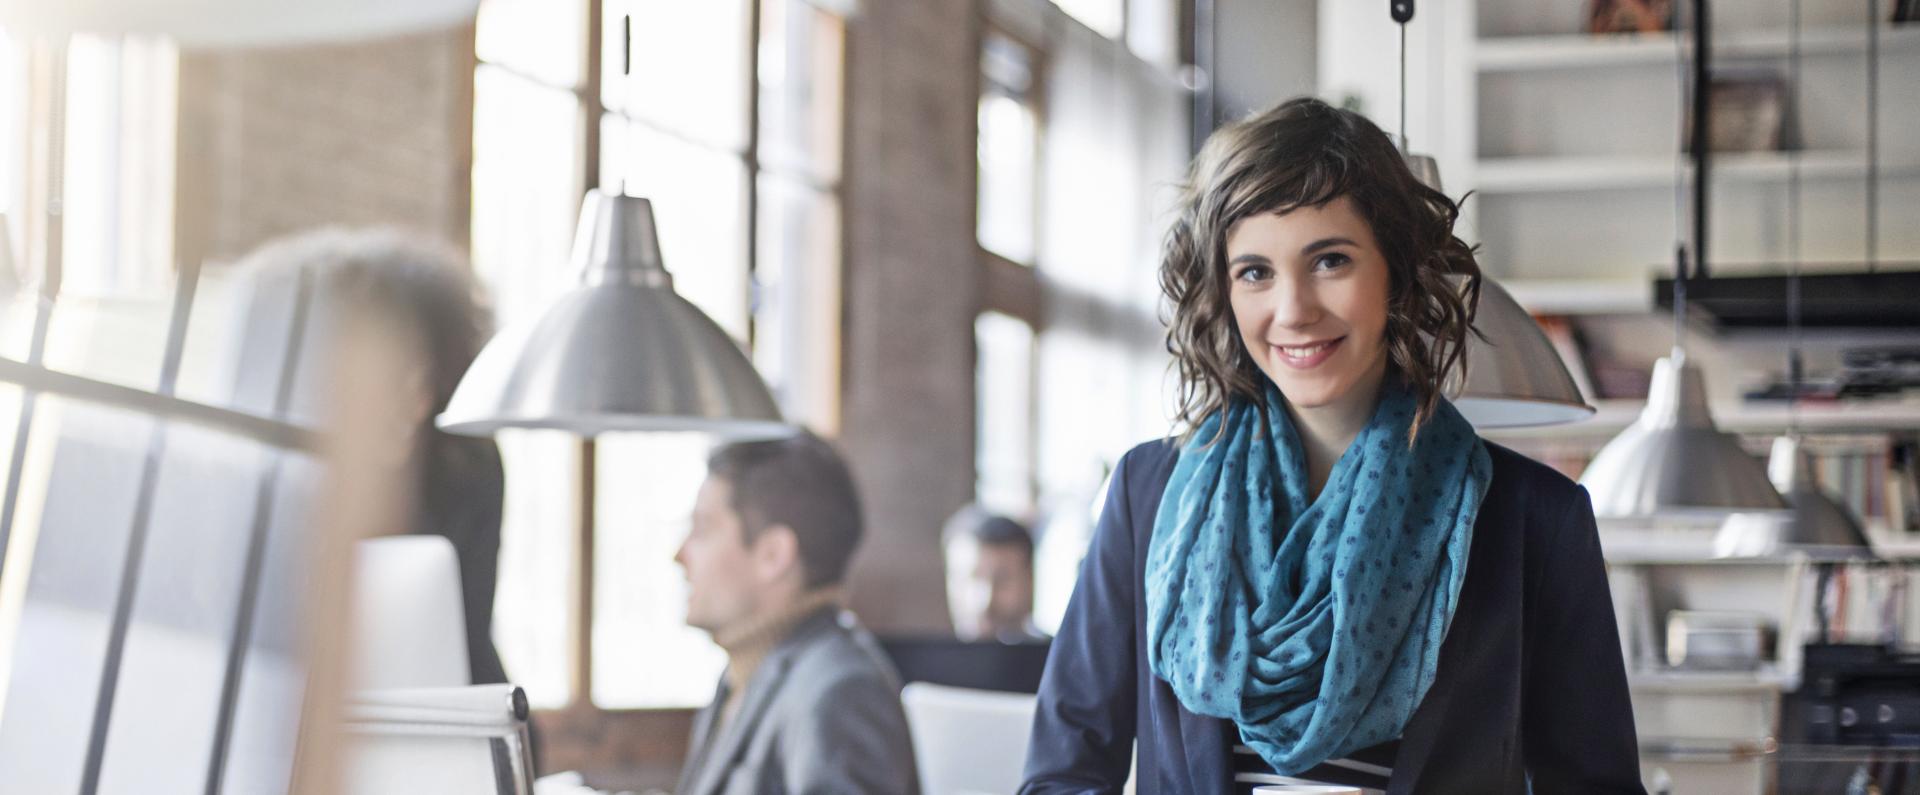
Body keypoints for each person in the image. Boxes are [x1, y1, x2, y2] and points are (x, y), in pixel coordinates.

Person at [1021, 98, 1645, 794]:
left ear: (1396, 272)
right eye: (1255, 271)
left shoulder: (1536, 522)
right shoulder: (1148, 492)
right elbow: (1062, 775)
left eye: (1330, 261)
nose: (1293, 310)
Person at [237, 228, 508, 687]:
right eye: (388, 379)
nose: (413, 404)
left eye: (427, 379)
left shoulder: (465, 461)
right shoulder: (262, 475)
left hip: (442, 701)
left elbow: (467, 637)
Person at [673, 432, 920, 795]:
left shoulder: (840, 692)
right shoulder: (743, 673)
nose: (680, 554)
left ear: (774, 555)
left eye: (703, 529)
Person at [943, 505, 1047, 643]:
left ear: (1029, 581)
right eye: (971, 578)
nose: (985, 601)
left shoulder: (1059, 661)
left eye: (1002, 580)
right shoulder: (921, 661)